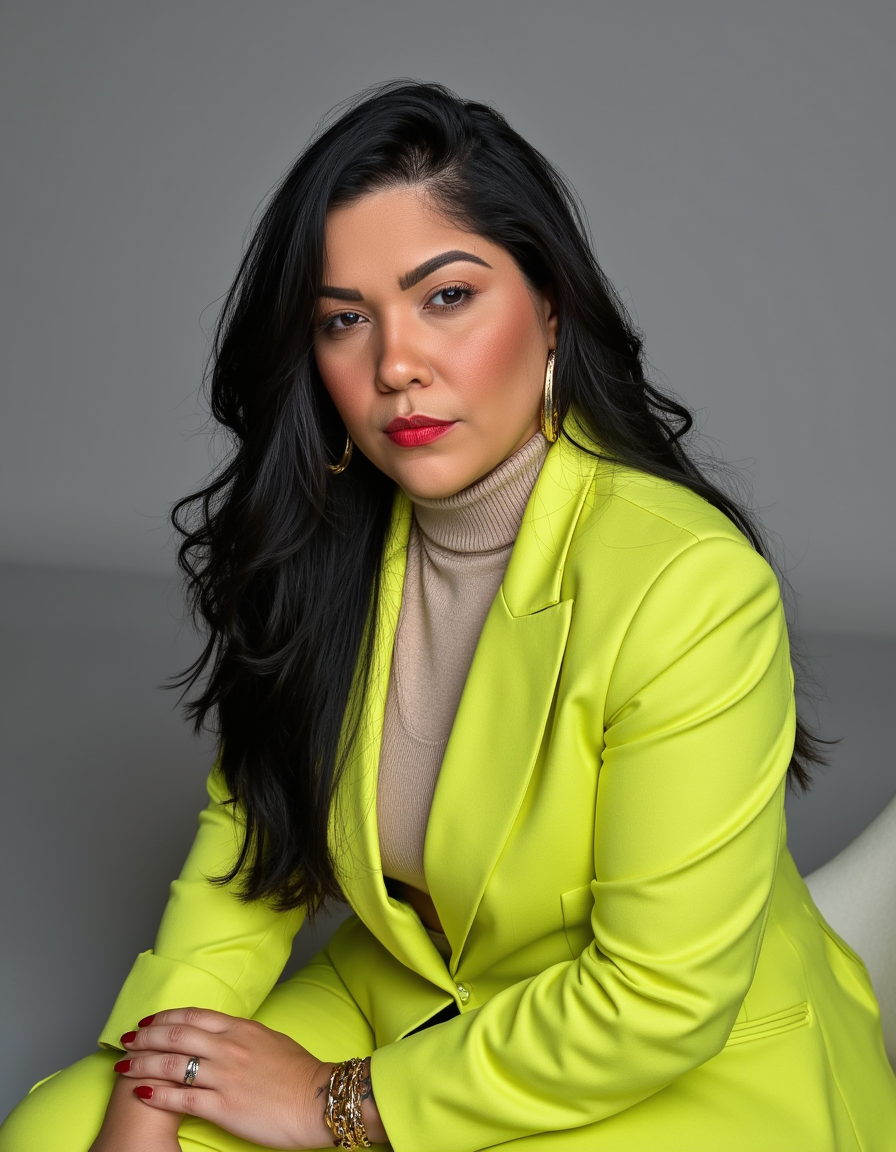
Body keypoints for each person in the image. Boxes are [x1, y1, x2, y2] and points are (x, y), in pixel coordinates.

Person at [3, 79, 894, 1152]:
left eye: (446, 297)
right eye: (345, 320)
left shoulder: (689, 584)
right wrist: (151, 1090)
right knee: (59, 1132)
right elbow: (250, 861)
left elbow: (658, 1000)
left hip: (671, 1065)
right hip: (415, 998)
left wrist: (333, 1104)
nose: (395, 366)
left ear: (549, 307)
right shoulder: (322, 551)